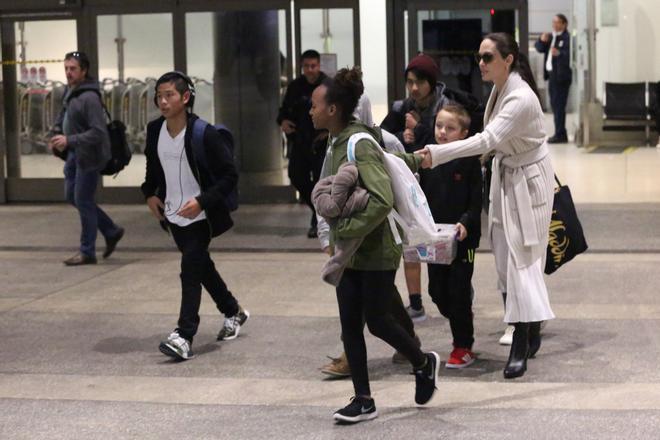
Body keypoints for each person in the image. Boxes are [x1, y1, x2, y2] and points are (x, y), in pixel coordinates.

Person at [417, 33, 555, 379]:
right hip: (508, 177)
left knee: (523, 262)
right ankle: (530, 326)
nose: (481, 63)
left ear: (508, 60)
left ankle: (522, 340)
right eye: (479, 56)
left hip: (528, 183)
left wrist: (436, 152)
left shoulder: (520, 97)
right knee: (507, 263)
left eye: (488, 57)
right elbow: (488, 135)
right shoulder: (500, 88)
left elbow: (488, 139)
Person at [310, 66, 439, 424]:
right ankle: (363, 399)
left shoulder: (357, 143)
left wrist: (346, 228)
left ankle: (422, 361)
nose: (311, 110)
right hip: (350, 251)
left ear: (333, 109)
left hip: (376, 250)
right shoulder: (337, 141)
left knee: (379, 322)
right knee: (350, 325)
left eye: (315, 105)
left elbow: (381, 199)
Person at [141, 71, 249, 361]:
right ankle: (233, 311)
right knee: (202, 267)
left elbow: (229, 175)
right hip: (173, 217)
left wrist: (202, 202)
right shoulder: (155, 131)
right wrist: (149, 194)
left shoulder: (203, 133)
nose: (162, 101)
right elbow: (152, 170)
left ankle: (184, 334)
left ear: (185, 98)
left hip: (201, 218)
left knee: (190, 269)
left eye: (169, 95)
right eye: (159, 96)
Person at [381, 53, 482, 322]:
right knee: (430, 273)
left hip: (457, 211)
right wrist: (402, 138)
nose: (414, 88)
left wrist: (422, 128)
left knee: (458, 272)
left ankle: (462, 318)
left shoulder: (447, 106)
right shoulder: (403, 107)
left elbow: (447, 150)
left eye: (420, 82)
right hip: (423, 195)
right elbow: (382, 136)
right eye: (410, 82)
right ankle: (419, 304)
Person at [419, 103, 482, 369]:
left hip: (463, 241)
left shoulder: (469, 162)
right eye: (439, 126)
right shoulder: (428, 160)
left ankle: (463, 345)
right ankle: (460, 306)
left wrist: (466, 222)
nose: (442, 132)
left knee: (456, 291)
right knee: (436, 291)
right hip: (435, 239)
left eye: (450, 128)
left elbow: (476, 201)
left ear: (464, 133)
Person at [48, 51, 124, 266]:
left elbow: (98, 132)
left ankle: (87, 251)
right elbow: (63, 116)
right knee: (74, 197)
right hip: (74, 153)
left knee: (82, 200)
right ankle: (111, 230)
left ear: (84, 71)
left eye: (73, 69)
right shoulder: (70, 91)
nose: (69, 73)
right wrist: (55, 134)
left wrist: (69, 139)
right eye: (66, 69)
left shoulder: (89, 97)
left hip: (89, 156)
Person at [277, 49, 328, 238]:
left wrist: (328, 131)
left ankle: (319, 220)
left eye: (313, 66)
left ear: (319, 66)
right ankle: (317, 209)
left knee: (321, 181)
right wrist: (283, 122)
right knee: (296, 175)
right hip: (300, 142)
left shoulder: (328, 86)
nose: (310, 70)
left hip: (321, 143)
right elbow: (283, 111)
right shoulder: (295, 87)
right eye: (306, 66)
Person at [535, 13, 572, 144]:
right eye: (553, 22)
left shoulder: (567, 38)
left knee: (559, 106)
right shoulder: (551, 37)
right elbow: (539, 48)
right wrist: (541, 40)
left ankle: (560, 133)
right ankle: (559, 132)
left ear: (564, 24)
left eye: (557, 22)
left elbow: (570, 56)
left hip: (561, 77)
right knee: (554, 105)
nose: (554, 25)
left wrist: (560, 53)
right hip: (552, 77)